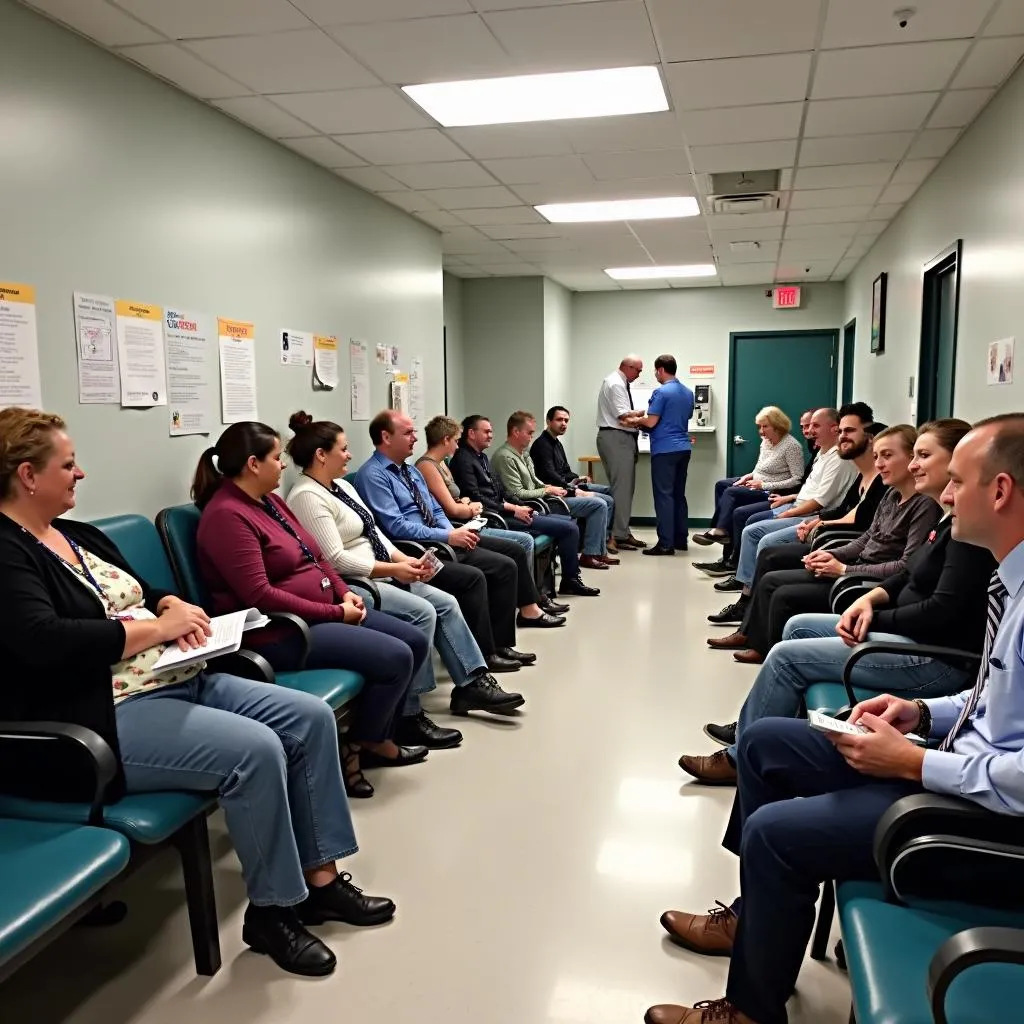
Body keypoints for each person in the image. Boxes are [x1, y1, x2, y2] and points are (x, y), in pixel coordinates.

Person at [645, 413, 1024, 1024]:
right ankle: (754, 916)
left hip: (980, 819)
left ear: (1000, 492)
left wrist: (918, 762)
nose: (946, 498)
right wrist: (920, 710)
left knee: (774, 834)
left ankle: (750, 1010)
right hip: (949, 753)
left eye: (957, 482)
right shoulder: (1011, 579)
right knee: (767, 744)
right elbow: (994, 696)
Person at [0, 408, 394, 979]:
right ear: (27, 475)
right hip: (104, 713)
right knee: (256, 751)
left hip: (181, 675)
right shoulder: (8, 551)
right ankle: (273, 913)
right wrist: (156, 630)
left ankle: (321, 881)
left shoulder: (76, 534)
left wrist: (168, 605)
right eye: (68, 464)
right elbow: (44, 641)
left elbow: (145, 587)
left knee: (309, 718)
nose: (81, 474)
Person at [681, 419, 988, 785]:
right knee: (797, 626)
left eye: (923, 455)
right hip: (907, 631)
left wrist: (877, 617)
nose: (913, 465)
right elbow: (908, 573)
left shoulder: (969, 533)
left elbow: (940, 612)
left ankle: (737, 759)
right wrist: (872, 598)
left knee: (784, 658)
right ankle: (771, 724)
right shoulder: (946, 518)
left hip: (934, 657)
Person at [192, 421, 431, 801]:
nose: (283, 465)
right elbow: (260, 594)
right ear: (253, 464)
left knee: (415, 640)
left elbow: (317, 555)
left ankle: (372, 737)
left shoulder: (269, 500)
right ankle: (361, 745)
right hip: (279, 631)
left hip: (322, 610)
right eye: (275, 458)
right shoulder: (226, 516)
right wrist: (337, 614)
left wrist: (343, 596)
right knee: (396, 656)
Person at [284, 412, 524, 745]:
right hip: (355, 582)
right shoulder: (307, 497)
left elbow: (375, 532)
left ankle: (472, 683)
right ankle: (410, 712)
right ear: (321, 455)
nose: (350, 455)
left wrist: (403, 559)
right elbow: (335, 560)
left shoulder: (341, 485)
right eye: (343, 448)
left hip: (382, 566)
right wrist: (393, 569)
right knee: (423, 611)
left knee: (447, 602)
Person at [355, 412, 560, 685]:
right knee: (472, 578)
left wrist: (451, 531)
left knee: (507, 562)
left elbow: (435, 509)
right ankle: (485, 654)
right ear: (385, 437)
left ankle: (500, 644)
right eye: (408, 433)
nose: (415, 437)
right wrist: (447, 535)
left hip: (440, 538)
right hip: (414, 549)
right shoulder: (374, 475)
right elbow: (395, 527)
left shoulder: (410, 470)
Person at [708, 425, 941, 665]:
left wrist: (843, 569)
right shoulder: (891, 494)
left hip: (864, 581)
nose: (880, 464)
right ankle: (749, 636)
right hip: (855, 567)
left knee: (782, 593)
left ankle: (765, 649)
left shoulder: (924, 506)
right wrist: (829, 554)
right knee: (770, 579)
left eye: (888, 456)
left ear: (910, 457)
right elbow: (866, 539)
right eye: (877, 456)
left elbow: (904, 566)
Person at [705, 415, 887, 625]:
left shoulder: (859, 471)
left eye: (815, 426)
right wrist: (805, 512)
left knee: (759, 534)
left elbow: (833, 507)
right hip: (808, 513)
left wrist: (813, 521)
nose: (809, 431)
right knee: (741, 511)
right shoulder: (832, 459)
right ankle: (743, 587)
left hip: (819, 525)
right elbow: (845, 510)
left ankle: (744, 594)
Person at [415, 414, 569, 618]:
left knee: (551, 528)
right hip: (467, 523)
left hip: (475, 518)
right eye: (455, 439)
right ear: (446, 440)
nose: (457, 444)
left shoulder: (448, 463)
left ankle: (534, 600)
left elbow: (461, 499)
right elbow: (452, 508)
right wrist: (470, 507)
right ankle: (529, 603)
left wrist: (470, 504)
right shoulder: (431, 465)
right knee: (524, 542)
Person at [707, 407, 860, 593]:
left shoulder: (832, 457)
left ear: (834, 428)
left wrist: (781, 503)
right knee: (727, 490)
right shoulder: (821, 453)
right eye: (807, 426)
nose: (809, 431)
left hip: (808, 512)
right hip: (795, 501)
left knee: (748, 519)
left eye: (815, 426)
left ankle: (746, 586)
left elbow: (817, 498)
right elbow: (809, 489)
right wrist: (787, 498)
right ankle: (737, 569)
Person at [451, 415, 600, 598]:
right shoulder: (464, 459)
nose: (491, 435)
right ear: (472, 433)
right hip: (494, 517)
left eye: (491, 431)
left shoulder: (481, 456)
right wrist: (514, 508)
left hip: (506, 510)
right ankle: (564, 583)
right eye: (487, 431)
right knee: (568, 529)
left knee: (568, 521)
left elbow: (501, 490)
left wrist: (521, 506)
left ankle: (550, 584)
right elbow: (476, 498)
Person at [491, 410, 617, 570]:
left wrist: (550, 488)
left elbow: (536, 482)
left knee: (601, 501)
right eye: (529, 433)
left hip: (544, 499)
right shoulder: (505, 457)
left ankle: (595, 553)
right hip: (534, 505)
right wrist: (549, 491)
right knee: (598, 504)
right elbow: (518, 493)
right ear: (516, 432)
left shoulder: (524, 454)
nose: (531, 436)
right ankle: (589, 555)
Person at [692, 406, 805, 548]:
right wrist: (748, 476)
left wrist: (763, 485)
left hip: (772, 490)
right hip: (756, 482)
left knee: (731, 492)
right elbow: (759, 468)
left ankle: (719, 530)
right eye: (760, 426)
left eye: (765, 426)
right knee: (722, 485)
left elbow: (797, 479)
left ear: (778, 426)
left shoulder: (791, 446)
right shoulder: (766, 441)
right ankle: (721, 528)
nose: (761, 431)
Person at [630, 355, 694, 555]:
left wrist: (634, 420)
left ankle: (665, 544)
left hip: (665, 450)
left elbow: (651, 422)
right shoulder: (688, 392)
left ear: (660, 370)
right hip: (683, 448)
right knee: (678, 494)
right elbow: (685, 417)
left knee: (663, 496)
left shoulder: (661, 392)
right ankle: (680, 540)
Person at [595, 354, 648, 550]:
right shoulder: (616, 384)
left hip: (619, 438)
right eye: (638, 370)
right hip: (616, 437)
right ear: (627, 367)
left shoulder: (617, 381)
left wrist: (639, 416)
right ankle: (616, 535)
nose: (639, 374)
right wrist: (648, 415)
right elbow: (624, 417)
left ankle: (622, 532)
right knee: (622, 489)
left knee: (624, 489)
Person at [531, 405, 616, 523]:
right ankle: (604, 538)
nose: (564, 423)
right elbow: (550, 475)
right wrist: (573, 489)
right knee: (607, 501)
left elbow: (566, 470)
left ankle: (613, 536)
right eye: (559, 419)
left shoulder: (557, 443)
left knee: (612, 491)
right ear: (548, 421)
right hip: (557, 493)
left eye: (566, 420)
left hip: (568, 485)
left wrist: (578, 478)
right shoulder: (542, 445)